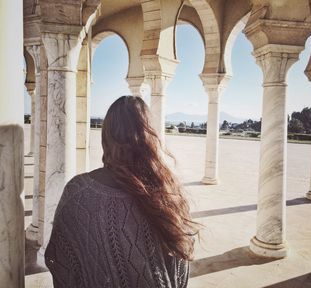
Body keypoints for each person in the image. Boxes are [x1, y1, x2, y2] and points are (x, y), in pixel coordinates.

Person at [44, 96, 199, 288]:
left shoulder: (78, 192)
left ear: (106, 136)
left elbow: (61, 263)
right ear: (151, 136)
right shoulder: (169, 192)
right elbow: (180, 269)